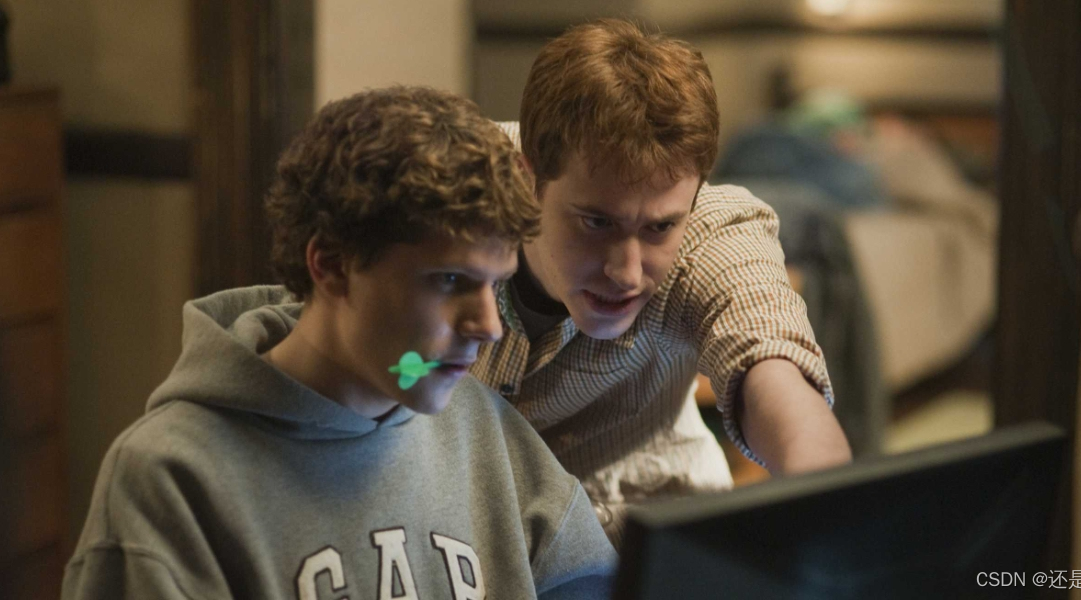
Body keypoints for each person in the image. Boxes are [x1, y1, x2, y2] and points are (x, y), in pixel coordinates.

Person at [62, 86, 616, 599]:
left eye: (494, 283)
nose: (488, 325)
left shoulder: (481, 428)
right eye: (450, 281)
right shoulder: (173, 477)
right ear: (330, 265)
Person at [469, 19, 853, 542]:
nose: (626, 273)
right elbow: (381, 363)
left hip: (647, 530)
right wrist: (410, 370)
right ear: (526, 176)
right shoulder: (446, 198)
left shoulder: (712, 233)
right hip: (460, 544)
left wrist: (824, 505)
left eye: (659, 227)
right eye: (597, 222)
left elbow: (771, 362)